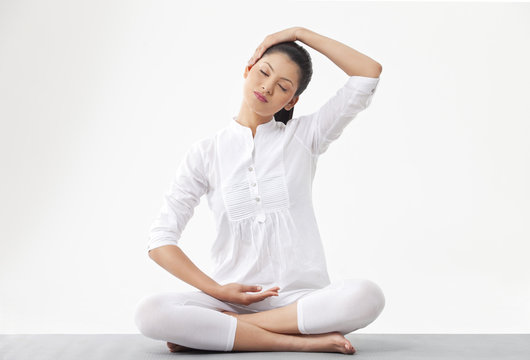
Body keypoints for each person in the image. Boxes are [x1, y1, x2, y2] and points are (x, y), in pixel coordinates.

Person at [134, 26, 385, 355]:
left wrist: (300, 33)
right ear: (248, 69)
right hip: (229, 300)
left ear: (291, 99)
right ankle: (295, 341)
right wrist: (220, 292)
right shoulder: (206, 153)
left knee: (366, 296)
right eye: (263, 72)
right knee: (149, 313)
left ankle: (233, 333)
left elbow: (367, 74)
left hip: (301, 301)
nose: (267, 87)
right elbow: (160, 240)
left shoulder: (304, 137)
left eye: (283, 86)